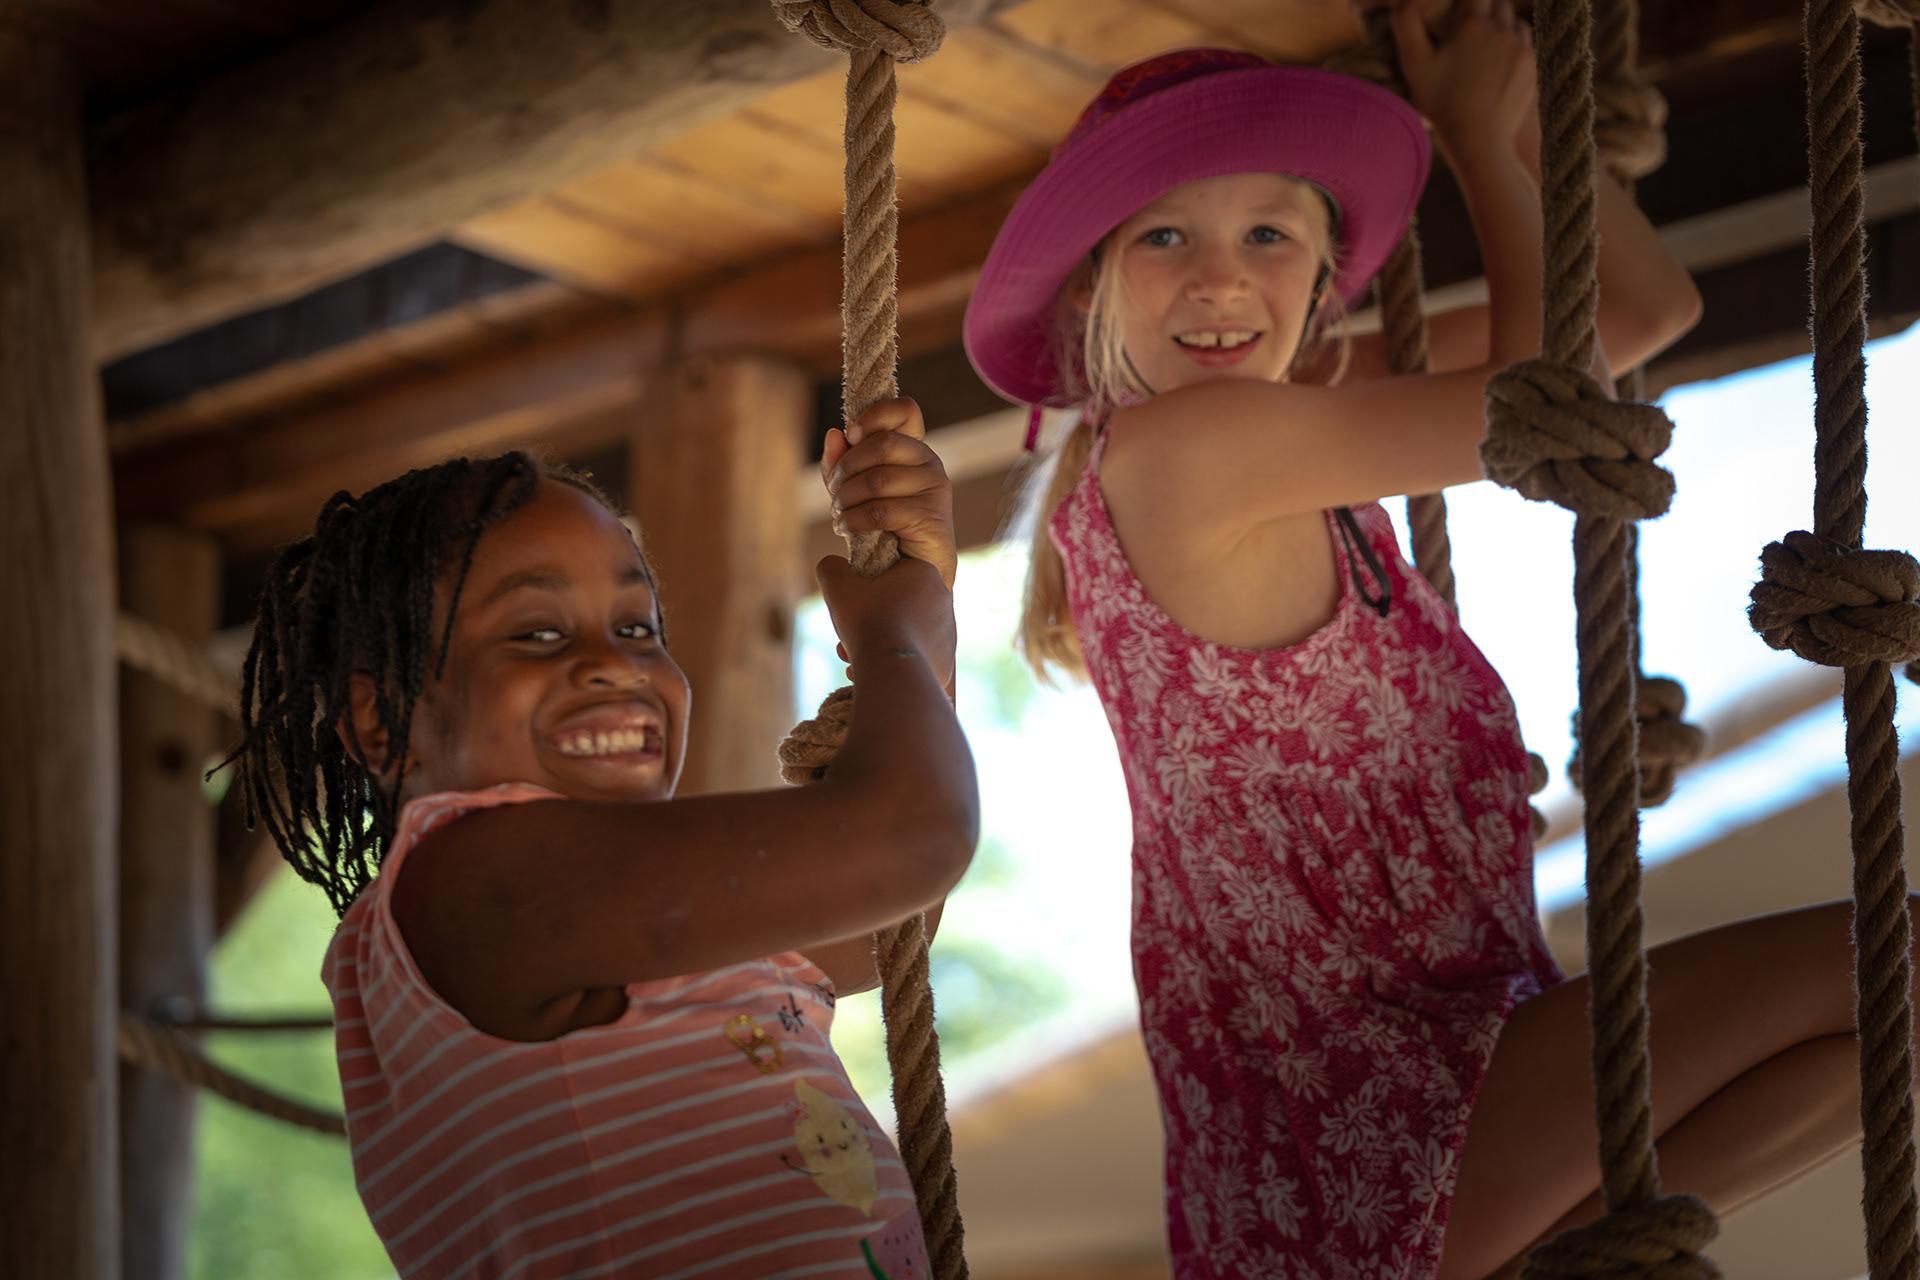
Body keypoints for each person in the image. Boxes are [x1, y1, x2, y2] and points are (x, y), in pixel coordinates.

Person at [968, 4, 1879, 1276]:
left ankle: (1586, 1254)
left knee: (1861, 1051)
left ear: (1325, 273)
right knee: (1880, 980)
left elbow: (1638, 313)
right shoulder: (1190, 449)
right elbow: (1559, 380)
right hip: (1378, 1104)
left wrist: (1511, 124)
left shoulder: (1295, 442)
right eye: (1165, 235)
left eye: (1269, 234)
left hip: (1430, 1080)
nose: (1223, 277)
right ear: (1097, 287)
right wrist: (1474, 125)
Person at [225, 400, 976, 1279]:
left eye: (638, 628)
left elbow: (881, 919)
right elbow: (911, 839)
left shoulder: (617, 912)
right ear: (381, 724)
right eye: (538, 633)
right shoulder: (476, 880)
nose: (615, 663)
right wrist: (900, 636)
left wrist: (925, 614)